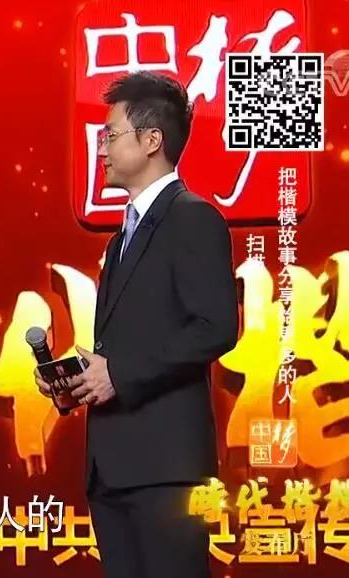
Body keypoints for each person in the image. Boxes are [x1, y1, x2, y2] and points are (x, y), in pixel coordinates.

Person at [36, 71, 239, 578]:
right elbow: (127, 344)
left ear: (152, 140)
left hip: (166, 468)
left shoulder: (193, 218)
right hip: (113, 468)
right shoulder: (120, 238)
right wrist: (81, 378)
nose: (101, 148)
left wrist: (119, 374)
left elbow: (216, 327)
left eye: (111, 134)